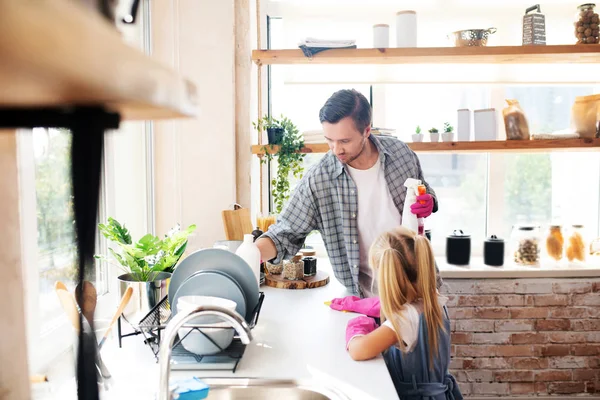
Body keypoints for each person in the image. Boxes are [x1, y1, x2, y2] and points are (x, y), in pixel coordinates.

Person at [256, 89, 441, 297]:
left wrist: (429, 201)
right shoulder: (319, 179)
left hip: (419, 286)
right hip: (365, 298)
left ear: (367, 130)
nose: (336, 149)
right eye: (329, 140)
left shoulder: (400, 153)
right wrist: (250, 256)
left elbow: (423, 188)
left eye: (344, 141)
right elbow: (283, 234)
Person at [343, 226, 462, 400]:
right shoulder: (432, 298)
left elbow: (359, 350)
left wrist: (355, 329)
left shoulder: (405, 319)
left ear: (386, 279)